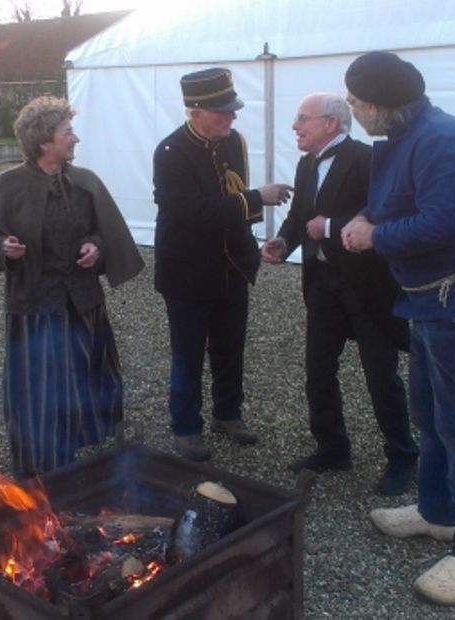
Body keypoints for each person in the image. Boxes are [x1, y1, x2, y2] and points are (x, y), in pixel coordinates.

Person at [339, 52, 455, 605]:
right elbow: (392, 200)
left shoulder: (442, 139)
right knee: (429, 413)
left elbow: (443, 223)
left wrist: (375, 237)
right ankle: (438, 512)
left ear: (374, 105)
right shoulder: (399, 138)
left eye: (352, 104)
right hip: (428, 301)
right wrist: (369, 217)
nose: (352, 112)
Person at [0, 96, 143, 478]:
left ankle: (83, 457)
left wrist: (94, 245)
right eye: (68, 132)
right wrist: (3, 248)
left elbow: (103, 229)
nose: (75, 138)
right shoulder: (9, 186)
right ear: (44, 141)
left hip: (83, 303)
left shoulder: (84, 182)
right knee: (39, 392)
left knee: (90, 381)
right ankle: (38, 473)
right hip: (34, 307)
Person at [260, 93, 417, 494]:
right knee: (318, 370)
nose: (295, 126)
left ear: (331, 123)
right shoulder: (305, 163)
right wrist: (283, 241)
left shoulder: (368, 159)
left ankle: (402, 455)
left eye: (303, 119)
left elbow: (388, 213)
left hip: (367, 286)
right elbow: (300, 217)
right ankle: (332, 447)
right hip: (321, 284)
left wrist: (329, 228)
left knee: (380, 375)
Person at [153, 67, 292, 461]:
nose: (232, 118)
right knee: (189, 353)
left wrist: (256, 235)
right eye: (222, 112)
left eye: (232, 110)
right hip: (187, 271)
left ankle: (227, 414)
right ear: (195, 112)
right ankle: (186, 427)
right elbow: (192, 213)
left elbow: (231, 204)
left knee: (231, 347)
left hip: (231, 265)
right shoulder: (170, 152)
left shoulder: (234, 142)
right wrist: (255, 198)